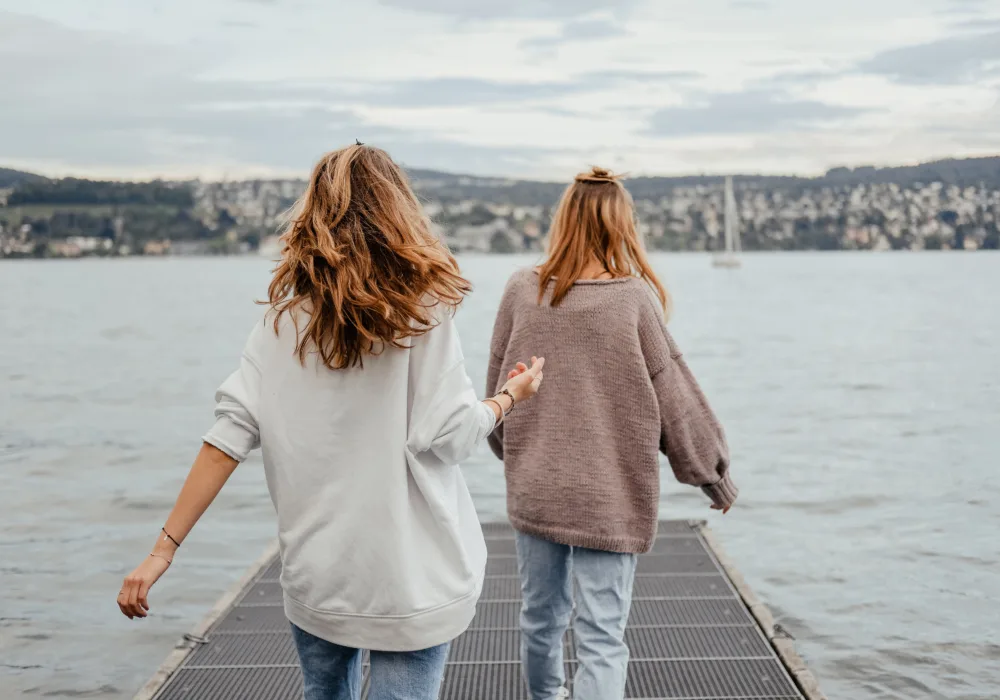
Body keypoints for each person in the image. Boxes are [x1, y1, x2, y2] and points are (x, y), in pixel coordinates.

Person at [116, 144, 544, 700]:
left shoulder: (279, 327)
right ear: (400, 213)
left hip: (319, 576)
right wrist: (509, 397)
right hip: (410, 578)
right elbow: (449, 435)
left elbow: (225, 441)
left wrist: (162, 550)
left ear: (312, 217)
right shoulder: (425, 315)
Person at [486, 166, 737, 700]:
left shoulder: (520, 290)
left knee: (539, 620)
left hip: (537, 485)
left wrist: (518, 454)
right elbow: (677, 401)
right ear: (623, 226)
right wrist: (711, 474)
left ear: (564, 221)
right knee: (601, 635)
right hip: (610, 493)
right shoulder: (633, 301)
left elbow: (496, 389)